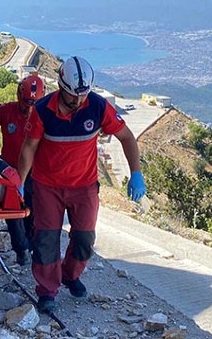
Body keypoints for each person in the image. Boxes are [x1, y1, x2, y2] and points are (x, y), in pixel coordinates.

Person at [17, 57, 147, 314]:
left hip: (84, 186)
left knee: (85, 238)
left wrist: (136, 173)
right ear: (61, 87)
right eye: (72, 95)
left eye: (83, 95)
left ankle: (70, 275)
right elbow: (28, 148)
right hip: (48, 186)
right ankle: (47, 290)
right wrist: (19, 183)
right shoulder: (42, 110)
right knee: (46, 239)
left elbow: (126, 137)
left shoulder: (97, 107)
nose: (78, 102)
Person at [0, 73, 47, 247]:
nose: (30, 108)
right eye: (26, 103)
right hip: (9, 168)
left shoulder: (45, 117)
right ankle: (20, 248)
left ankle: (31, 244)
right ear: (18, 95)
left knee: (32, 208)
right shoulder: (5, 110)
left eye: (34, 104)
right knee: (12, 209)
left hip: (34, 170)